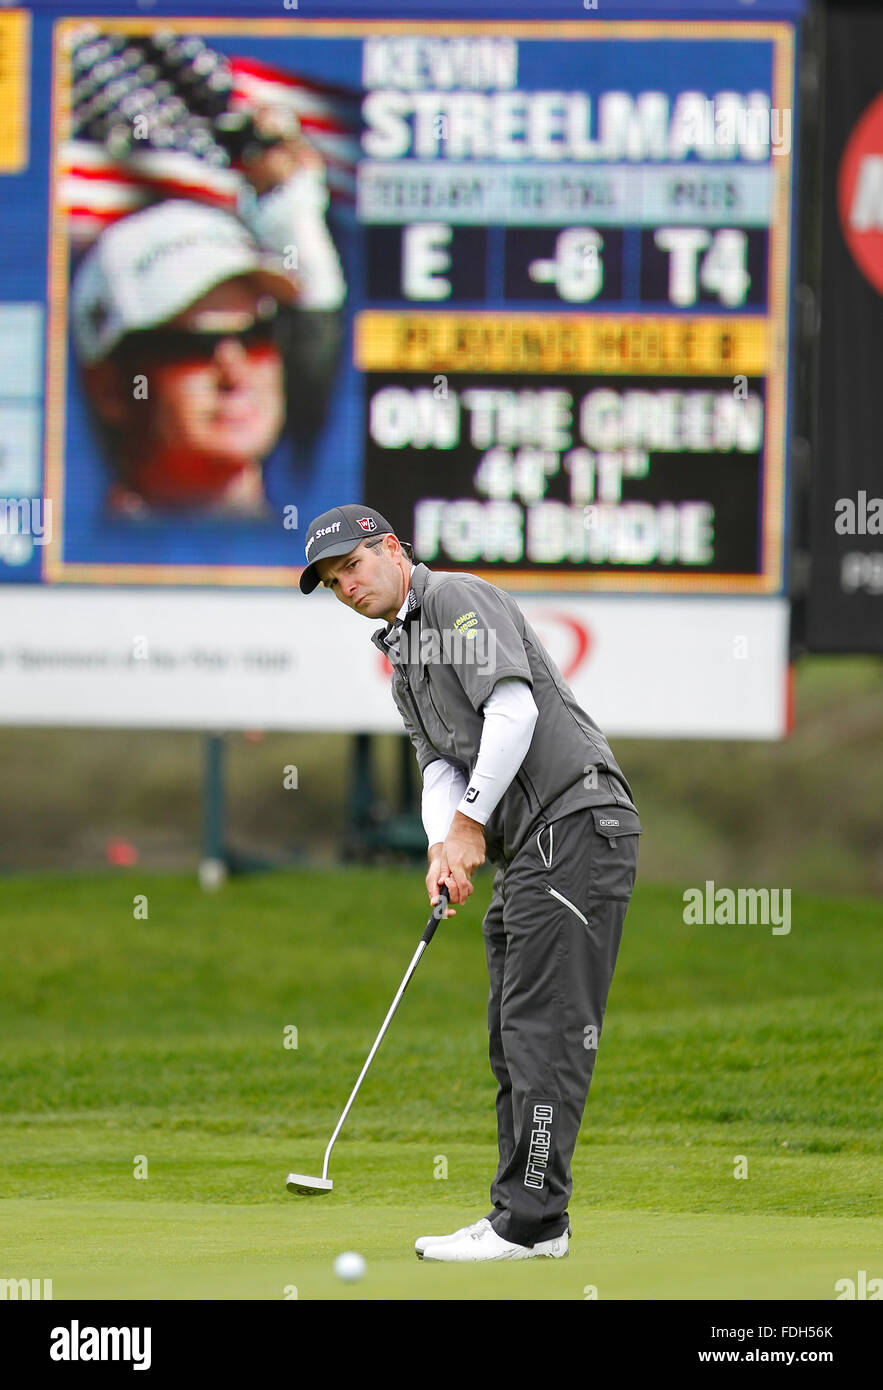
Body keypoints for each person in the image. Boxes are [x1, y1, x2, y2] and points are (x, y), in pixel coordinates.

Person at [299, 504, 642, 1263]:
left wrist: (469, 826)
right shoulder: (402, 655)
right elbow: (441, 768)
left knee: (543, 1029)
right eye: (331, 582)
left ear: (391, 549)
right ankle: (524, 1214)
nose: (345, 586)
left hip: (577, 820)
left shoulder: (454, 599)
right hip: (533, 846)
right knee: (512, 1032)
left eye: (352, 565)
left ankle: (530, 1221)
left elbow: (512, 711)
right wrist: (440, 846)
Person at [72, 200, 298, 516]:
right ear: (109, 387)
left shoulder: (335, 550)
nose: (236, 374)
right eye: (194, 345)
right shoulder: (76, 558)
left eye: (257, 336)